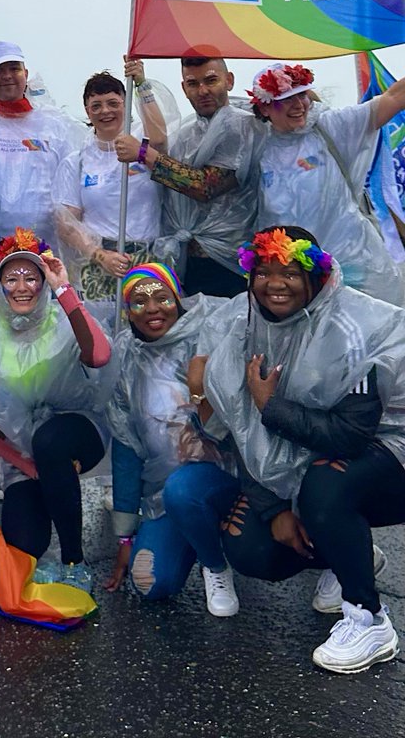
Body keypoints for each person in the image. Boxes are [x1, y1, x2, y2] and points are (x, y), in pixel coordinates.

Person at [202, 226, 405, 673]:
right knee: (251, 550)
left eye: (291, 272)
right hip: (311, 462)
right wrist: (274, 508)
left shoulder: (354, 330)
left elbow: (351, 436)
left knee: (325, 489)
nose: (276, 283)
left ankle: (368, 618)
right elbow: (240, 429)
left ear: (315, 277)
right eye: (265, 271)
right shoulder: (244, 327)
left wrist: (269, 405)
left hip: (389, 449)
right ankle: (348, 552)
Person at [0, 231, 112, 588]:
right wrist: (33, 469)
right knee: (24, 546)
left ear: (42, 281)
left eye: (31, 277)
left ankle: (73, 559)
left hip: (78, 432)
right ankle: (45, 496)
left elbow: (99, 356)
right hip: (22, 455)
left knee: (51, 440)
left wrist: (65, 290)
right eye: (11, 278)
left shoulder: (62, 318)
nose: (22, 287)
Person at [103, 264, 241, 617]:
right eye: (139, 302)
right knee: (150, 583)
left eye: (162, 297)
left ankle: (219, 561)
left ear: (177, 300)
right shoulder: (127, 361)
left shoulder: (210, 337)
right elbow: (126, 448)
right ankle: (191, 537)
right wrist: (124, 537)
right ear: (127, 313)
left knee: (261, 552)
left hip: (230, 484)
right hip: (165, 497)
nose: (152, 309)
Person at [249, 61, 405, 305]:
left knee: (377, 332)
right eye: (286, 99)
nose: (298, 105)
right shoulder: (256, 149)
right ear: (265, 108)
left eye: (301, 95)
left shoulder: (332, 127)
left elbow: (395, 96)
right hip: (296, 278)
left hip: (355, 261)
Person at [115, 56, 260, 297]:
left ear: (229, 80)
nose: (202, 91)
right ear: (184, 88)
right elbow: (162, 149)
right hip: (188, 261)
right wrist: (141, 84)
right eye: (193, 84)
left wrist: (142, 153)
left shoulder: (241, 126)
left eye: (211, 80)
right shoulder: (187, 133)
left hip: (231, 263)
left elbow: (205, 186)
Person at [55, 60, 169, 325]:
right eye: (96, 106)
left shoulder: (144, 148)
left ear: (126, 104)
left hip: (146, 259)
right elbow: (66, 223)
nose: (105, 111)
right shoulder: (78, 160)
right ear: (87, 111)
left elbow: (161, 139)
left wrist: (141, 82)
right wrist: (100, 255)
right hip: (100, 262)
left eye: (113, 103)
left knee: (147, 333)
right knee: (102, 339)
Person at [0, 41, 82, 255]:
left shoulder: (56, 123)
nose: (7, 76)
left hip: (49, 250)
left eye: (14, 68)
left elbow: (72, 182)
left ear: (25, 73)